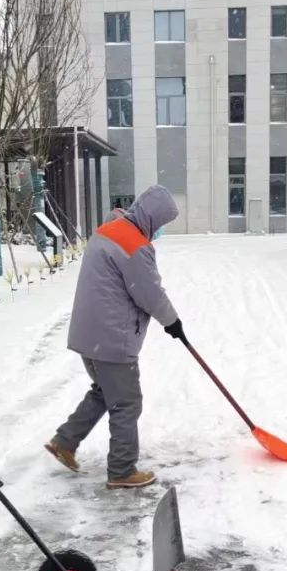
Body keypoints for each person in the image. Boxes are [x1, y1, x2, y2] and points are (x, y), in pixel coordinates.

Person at [45, 185, 184, 488]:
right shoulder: (134, 244)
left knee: (105, 392)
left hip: (88, 333)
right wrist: (173, 322)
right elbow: (149, 293)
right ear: (152, 216)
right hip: (111, 337)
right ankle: (122, 470)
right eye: (160, 223)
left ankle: (65, 441)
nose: (158, 230)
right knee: (127, 403)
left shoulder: (109, 230)